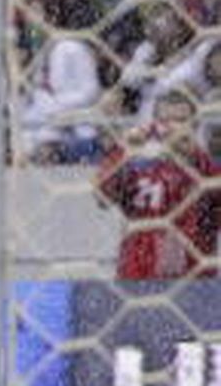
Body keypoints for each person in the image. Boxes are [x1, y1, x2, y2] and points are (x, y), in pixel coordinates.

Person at [95, 89, 221, 279]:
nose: (172, 127)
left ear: (195, 125)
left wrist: (194, 156)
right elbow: (101, 198)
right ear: (153, 124)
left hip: (193, 282)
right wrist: (123, 153)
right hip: (137, 277)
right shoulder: (137, 166)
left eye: (181, 120)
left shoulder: (208, 171)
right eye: (165, 121)